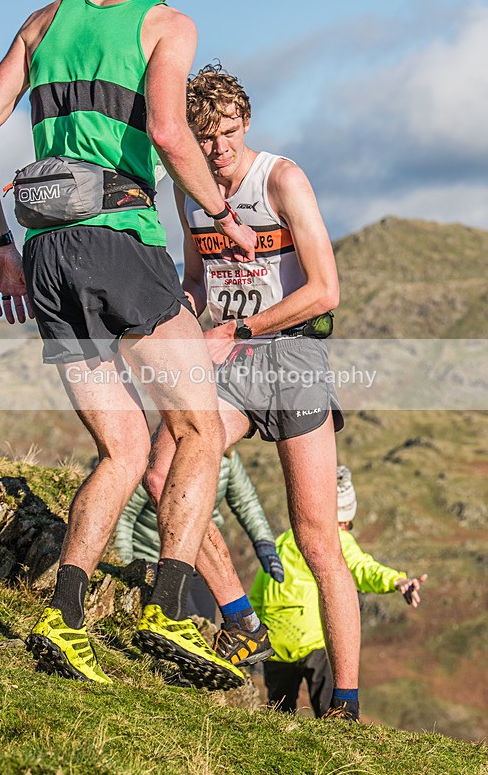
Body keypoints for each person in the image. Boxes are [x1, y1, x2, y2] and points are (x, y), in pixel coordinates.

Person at [0, 0, 257, 691]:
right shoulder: (165, 24)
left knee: (123, 448)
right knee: (199, 427)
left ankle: (64, 617)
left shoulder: (44, 20)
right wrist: (221, 214)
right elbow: (165, 131)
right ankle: (168, 611)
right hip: (118, 238)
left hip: (45, 255)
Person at [143, 64, 363, 718]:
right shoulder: (190, 194)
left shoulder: (282, 179)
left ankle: (344, 703)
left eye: (230, 134)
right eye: (205, 139)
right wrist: (171, 325)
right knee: (161, 474)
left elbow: (326, 291)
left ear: (246, 125)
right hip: (228, 361)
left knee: (318, 538)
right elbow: (195, 281)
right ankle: (240, 617)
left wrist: (241, 326)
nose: (219, 151)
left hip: (293, 358)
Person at [250, 465, 428, 716]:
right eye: (346, 523)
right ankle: (336, 746)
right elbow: (362, 568)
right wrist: (397, 581)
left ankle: (275, 749)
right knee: (330, 712)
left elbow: (258, 592)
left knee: (279, 711)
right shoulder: (335, 540)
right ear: (343, 518)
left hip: (276, 643)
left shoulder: (285, 539)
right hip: (315, 640)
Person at [115, 448, 284, 622]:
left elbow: (246, 503)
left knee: (205, 624)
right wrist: (125, 563)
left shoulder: (227, 457)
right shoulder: (160, 458)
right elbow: (125, 513)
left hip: (200, 561)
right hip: (154, 559)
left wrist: (264, 543)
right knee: (181, 619)